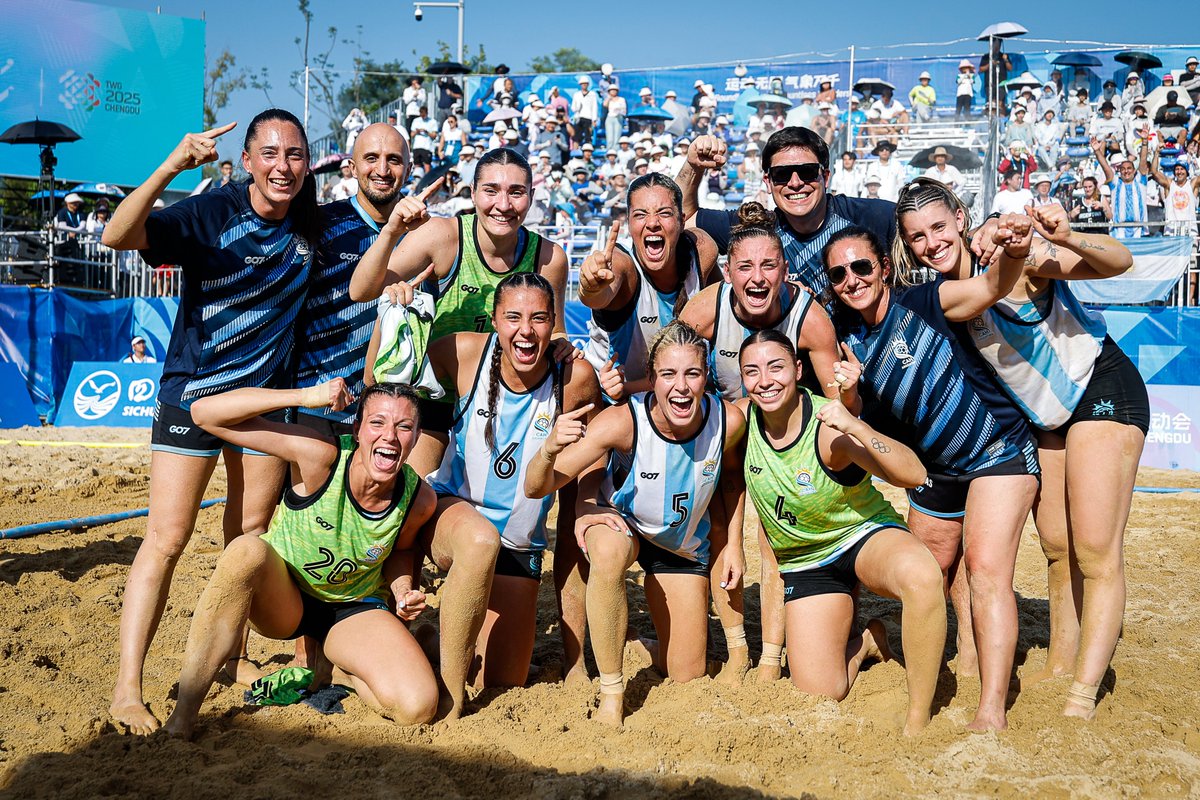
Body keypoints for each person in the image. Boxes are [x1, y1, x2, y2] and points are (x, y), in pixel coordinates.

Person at [101, 109, 321, 734]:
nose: (284, 166)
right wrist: (172, 166)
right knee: (166, 539)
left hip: (263, 404)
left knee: (246, 541)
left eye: (296, 155)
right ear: (246, 160)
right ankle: (127, 688)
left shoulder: (309, 220)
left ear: (308, 165)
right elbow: (117, 238)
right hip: (191, 397)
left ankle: (234, 658)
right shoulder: (208, 213)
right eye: (271, 154)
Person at [944, 203, 1143, 720]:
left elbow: (1119, 262)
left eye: (998, 229)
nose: (995, 239)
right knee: (1056, 543)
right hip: (1047, 415)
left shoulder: (1030, 261)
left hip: (1101, 387)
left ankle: (1082, 692)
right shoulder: (953, 293)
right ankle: (1059, 663)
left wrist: (1070, 236)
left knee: (1096, 549)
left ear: (966, 222)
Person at [161, 379, 439, 738]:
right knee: (245, 550)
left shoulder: (419, 498)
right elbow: (204, 414)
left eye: (404, 427)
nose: (390, 436)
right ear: (357, 430)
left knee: (418, 708)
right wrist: (303, 397)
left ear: (416, 438)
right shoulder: (321, 456)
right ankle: (183, 717)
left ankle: (337, 669)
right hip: (285, 597)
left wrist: (403, 591)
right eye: (378, 422)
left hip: (353, 608)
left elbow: (401, 551)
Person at [380, 273, 602, 717]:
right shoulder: (461, 353)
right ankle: (449, 695)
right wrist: (392, 312)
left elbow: (578, 500)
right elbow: (384, 379)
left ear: (555, 324)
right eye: (513, 317)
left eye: (539, 318)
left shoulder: (574, 380)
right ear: (495, 321)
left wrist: (576, 658)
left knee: (505, 679)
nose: (526, 330)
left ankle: (431, 638)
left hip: (519, 543)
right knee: (478, 540)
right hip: (454, 518)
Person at [524, 320, 747, 727]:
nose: (681, 387)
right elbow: (536, 486)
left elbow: (732, 480)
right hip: (623, 524)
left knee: (687, 671)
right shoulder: (623, 423)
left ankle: (644, 644)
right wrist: (550, 448)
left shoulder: (727, 421)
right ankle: (612, 692)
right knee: (606, 551)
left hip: (678, 542)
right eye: (668, 375)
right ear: (652, 379)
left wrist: (734, 543)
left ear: (706, 376)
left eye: (692, 373)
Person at [882, 180, 1045, 730]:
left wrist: (1013, 246)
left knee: (986, 569)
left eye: (938, 227)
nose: (930, 242)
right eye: (917, 236)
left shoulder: (982, 259)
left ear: (959, 217)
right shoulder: (915, 295)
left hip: (999, 444)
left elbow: (993, 285)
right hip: (939, 462)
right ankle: (970, 653)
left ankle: (991, 711)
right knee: (933, 568)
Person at [735, 330, 943, 735]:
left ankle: (918, 717)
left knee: (922, 577)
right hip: (807, 561)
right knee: (822, 690)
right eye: (752, 371)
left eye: (776, 367)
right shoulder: (741, 420)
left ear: (797, 369)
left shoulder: (827, 426)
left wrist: (855, 425)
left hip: (861, 536)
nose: (765, 380)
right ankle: (867, 639)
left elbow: (915, 474)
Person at [292, 124, 416, 443]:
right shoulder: (321, 224)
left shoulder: (425, 234)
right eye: (371, 158)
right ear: (351, 167)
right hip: (321, 406)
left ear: (410, 167)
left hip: (392, 415)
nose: (382, 169)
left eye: (394, 159)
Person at [679, 126, 895, 304]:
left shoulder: (870, 217)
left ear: (825, 176)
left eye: (807, 172)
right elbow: (683, 220)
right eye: (782, 174)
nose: (795, 183)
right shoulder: (754, 227)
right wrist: (693, 167)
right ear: (768, 181)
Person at [580, 173, 720, 396]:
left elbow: (723, 313)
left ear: (682, 220)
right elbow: (597, 296)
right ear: (629, 224)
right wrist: (589, 287)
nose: (652, 223)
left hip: (680, 394)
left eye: (664, 213)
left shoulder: (702, 250)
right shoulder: (622, 266)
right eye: (640, 214)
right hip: (615, 400)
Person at [1092, 138, 1151, 238]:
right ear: (1119, 171)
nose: (1126, 171)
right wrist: (1097, 151)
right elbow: (1105, 166)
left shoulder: (1141, 182)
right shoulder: (1115, 183)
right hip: (1118, 231)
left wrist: (1144, 141)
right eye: (1123, 169)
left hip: (1140, 231)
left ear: (1134, 171)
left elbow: (1143, 161)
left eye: (1129, 168)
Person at [1150, 151, 1200, 237]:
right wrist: (1156, 153)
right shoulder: (1169, 184)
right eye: (1177, 169)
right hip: (1171, 231)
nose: (1179, 172)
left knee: (1193, 251)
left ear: (1187, 171)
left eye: (1182, 169)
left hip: (1190, 231)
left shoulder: (1192, 184)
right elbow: (1154, 172)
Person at [572, 75, 599, 146]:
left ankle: (588, 148)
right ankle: (575, 151)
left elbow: (594, 107)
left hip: (588, 117)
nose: (584, 85)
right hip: (578, 117)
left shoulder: (592, 94)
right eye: (583, 84)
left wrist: (594, 120)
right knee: (576, 136)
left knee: (588, 135)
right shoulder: (576, 94)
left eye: (585, 84)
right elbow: (573, 107)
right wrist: (577, 108)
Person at [603, 85, 626, 150]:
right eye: (611, 90)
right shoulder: (608, 99)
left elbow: (624, 110)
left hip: (618, 118)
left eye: (614, 90)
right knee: (609, 137)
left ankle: (616, 152)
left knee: (617, 137)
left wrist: (619, 111)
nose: (613, 92)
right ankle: (609, 152)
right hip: (610, 118)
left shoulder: (621, 99)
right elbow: (605, 105)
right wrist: (609, 98)